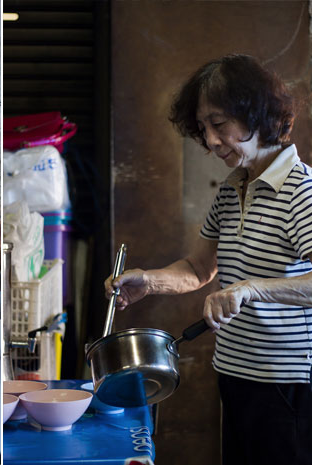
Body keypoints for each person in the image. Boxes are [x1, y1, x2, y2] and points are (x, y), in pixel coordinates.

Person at [105, 54, 312, 465]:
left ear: (259, 115)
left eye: (220, 124)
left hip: (287, 385)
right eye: (203, 129)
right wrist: (149, 280)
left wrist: (250, 289)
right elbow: (200, 269)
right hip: (236, 373)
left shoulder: (300, 192)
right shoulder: (231, 189)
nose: (212, 141)